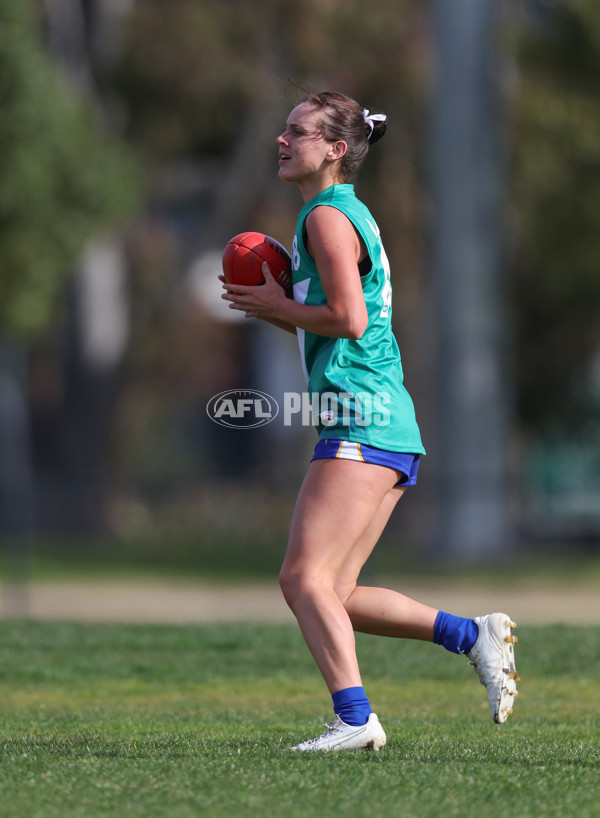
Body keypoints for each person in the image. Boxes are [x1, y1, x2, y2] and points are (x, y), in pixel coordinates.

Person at [221, 88, 518, 751]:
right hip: (382, 418)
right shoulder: (337, 213)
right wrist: (282, 309)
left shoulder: (326, 216)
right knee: (335, 591)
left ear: (333, 149)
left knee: (302, 579)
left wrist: (277, 305)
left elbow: (349, 321)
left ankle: (356, 719)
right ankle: (474, 636)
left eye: (296, 132)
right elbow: (341, 324)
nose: (281, 138)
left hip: (362, 414)